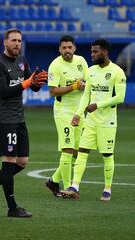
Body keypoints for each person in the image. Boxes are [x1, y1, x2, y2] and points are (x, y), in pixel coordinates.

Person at [0, 28, 48, 218]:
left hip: (19, 118)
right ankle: (12, 208)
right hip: (5, 119)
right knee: (9, 163)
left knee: (22, 162)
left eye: (19, 41)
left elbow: (33, 85)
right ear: (5, 42)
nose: (17, 44)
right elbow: (3, 92)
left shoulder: (22, 61)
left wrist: (38, 82)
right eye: (13, 40)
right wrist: (26, 83)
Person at [61, 39, 126, 201]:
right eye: (91, 51)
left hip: (107, 122)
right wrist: (78, 113)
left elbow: (120, 98)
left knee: (107, 155)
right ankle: (74, 186)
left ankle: (107, 189)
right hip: (90, 121)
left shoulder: (117, 72)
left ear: (104, 52)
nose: (92, 54)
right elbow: (86, 96)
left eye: (95, 51)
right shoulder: (90, 71)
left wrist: (98, 105)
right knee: (82, 152)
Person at [45, 35, 88, 197]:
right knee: (68, 149)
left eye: (70, 47)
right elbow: (52, 91)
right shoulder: (55, 65)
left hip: (79, 112)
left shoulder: (81, 61)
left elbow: (87, 83)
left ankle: (53, 180)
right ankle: (69, 188)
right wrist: (74, 86)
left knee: (78, 152)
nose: (67, 50)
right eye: (64, 48)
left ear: (74, 48)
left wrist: (84, 86)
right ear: (59, 49)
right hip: (63, 112)